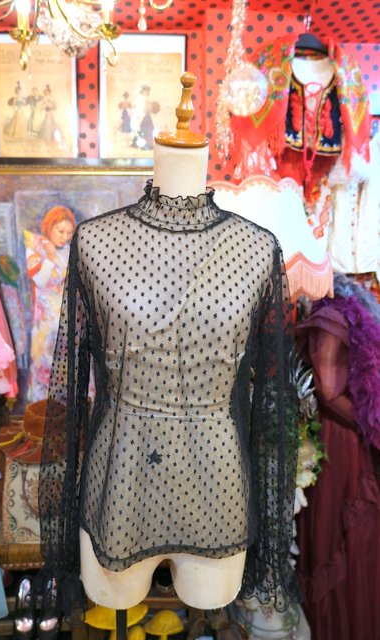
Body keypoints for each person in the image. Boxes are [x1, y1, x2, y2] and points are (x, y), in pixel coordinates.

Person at [39, 73, 299, 618]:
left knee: (208, 603)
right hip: (120, 483)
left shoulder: (257, 249)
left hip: (217, 486)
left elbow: (271, 411)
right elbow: (73, 387)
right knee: (114, 604)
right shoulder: (94, 240)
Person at [296, 274, 380, 640]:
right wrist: (370, 424)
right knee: (340, 533)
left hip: (344, 437)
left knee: (347, 531)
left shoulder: (331, 316)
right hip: (340, 438)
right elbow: (329, 391)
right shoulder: (332, 319)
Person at [24, 205, 76, 402]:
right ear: (49, 226)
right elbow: (40, 281)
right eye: (60, 231)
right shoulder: (36, 248)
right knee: (44, 366)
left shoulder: (71, 251)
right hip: (45, 322)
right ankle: (42, 412)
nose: (65, 237)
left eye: (69, 233)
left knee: (68, 368)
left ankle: (67, 413)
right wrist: (51, 256)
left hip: (68, 320)